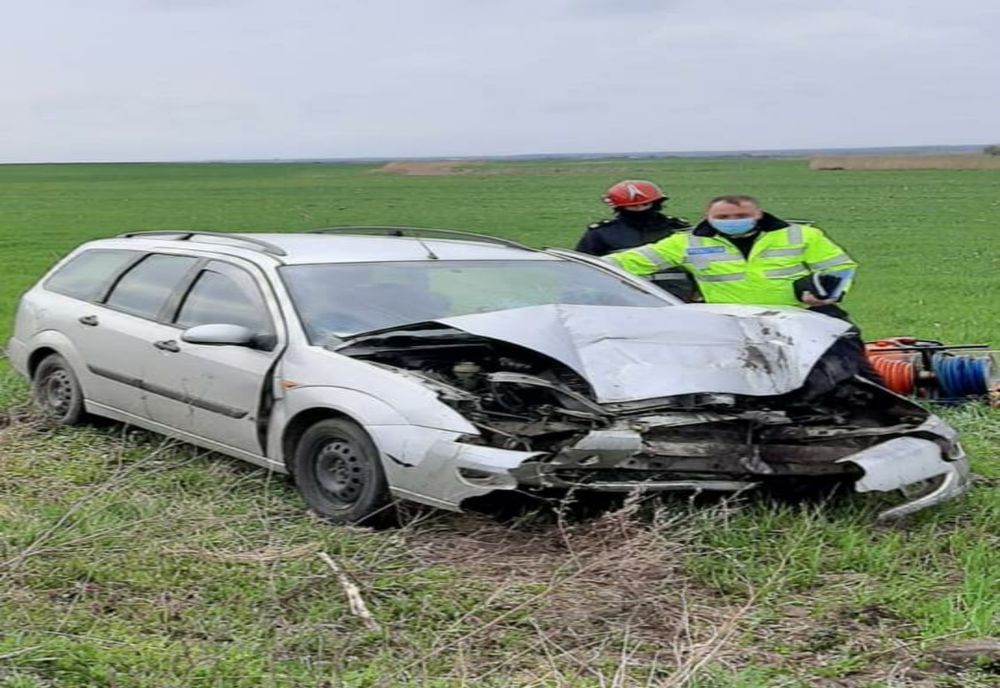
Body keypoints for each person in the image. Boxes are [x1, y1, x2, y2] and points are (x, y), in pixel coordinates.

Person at [606, 194, 881, 383]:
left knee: (850, 367)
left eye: (740, 215)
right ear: (709, 217)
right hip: (728, 323)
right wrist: (577, 266)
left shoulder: (801, 234)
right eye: (723, 216)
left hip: (800, 316)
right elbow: (632, 261)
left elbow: (838, 266)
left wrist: (821, 291)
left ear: (757, 215)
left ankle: (885, 412)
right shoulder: (686, 243)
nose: (731, 220)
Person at [575, 180, 696, 300]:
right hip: (624, 297)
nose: (640, 209)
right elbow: (583, 268)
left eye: (645, 204)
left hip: (677, 296)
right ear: (620, 207)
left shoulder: (678, 229)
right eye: (633, 206)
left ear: (656, 203)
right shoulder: (601, 233)